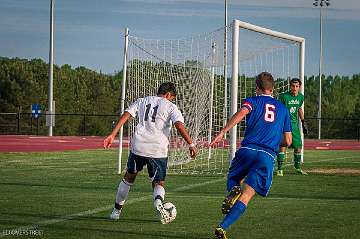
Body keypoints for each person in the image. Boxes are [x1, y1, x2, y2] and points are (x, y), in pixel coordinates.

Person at [209, 72, 292, 239]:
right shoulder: (283, 109)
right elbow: (288, 140)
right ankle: (222, 228)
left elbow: (242, 113)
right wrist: (274, 141)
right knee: (247, 195)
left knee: (234, 180)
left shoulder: (253, 100)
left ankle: (234, 190)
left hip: (247, 149)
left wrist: (223, 131)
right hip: (266, 155)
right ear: (273, 88)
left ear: (256, 88)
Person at [103, 82, 197, 224]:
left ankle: (116, 212)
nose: (171, 100)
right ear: (168, 94)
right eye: (172, 98)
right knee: (158, 182)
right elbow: (179, 125)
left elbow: (126, 115)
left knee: (128, 178)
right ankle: (158, 202)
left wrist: (112, 135)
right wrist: (191, 143)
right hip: (158, 150)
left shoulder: (142, 101)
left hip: (139, 146)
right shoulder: (171, 106)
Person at [276, 78, 308, 176]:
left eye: (297, 86)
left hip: (294, 125)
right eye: (293, 86)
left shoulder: (301, 97)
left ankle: (297, 168)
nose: (294, 88)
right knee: (283, 145)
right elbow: (278, 110)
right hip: (284, 124)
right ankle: (280, 169)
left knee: (298, 146)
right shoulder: (283, 96)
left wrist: (303, 122)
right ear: (290, 86)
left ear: (299, 87)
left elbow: (299, 109)